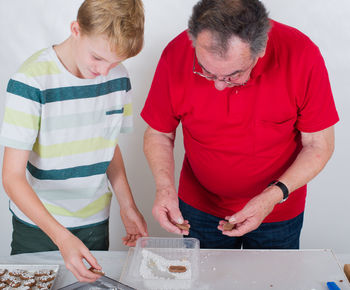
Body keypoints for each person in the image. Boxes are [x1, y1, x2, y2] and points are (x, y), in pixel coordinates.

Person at [142, 0, 339, 250]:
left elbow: (318, 144)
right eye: (206, 71)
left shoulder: (302, 55)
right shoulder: (176, 52)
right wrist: (164, 188)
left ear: (261, 49)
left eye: (233, 75)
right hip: (200, 208)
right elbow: (159, 133)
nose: (218, 86)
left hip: (277, 210)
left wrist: (273, 196)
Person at [0, 0, 147, 282]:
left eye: (116, 62)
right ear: (76, 30)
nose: (105, 71)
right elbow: (12, 177)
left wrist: (126, 205)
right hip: (38, 228)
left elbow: (107, 145)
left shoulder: (118, 78)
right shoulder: (31, 81)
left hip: (94, 223)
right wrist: (61, 237)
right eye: (98, 58)